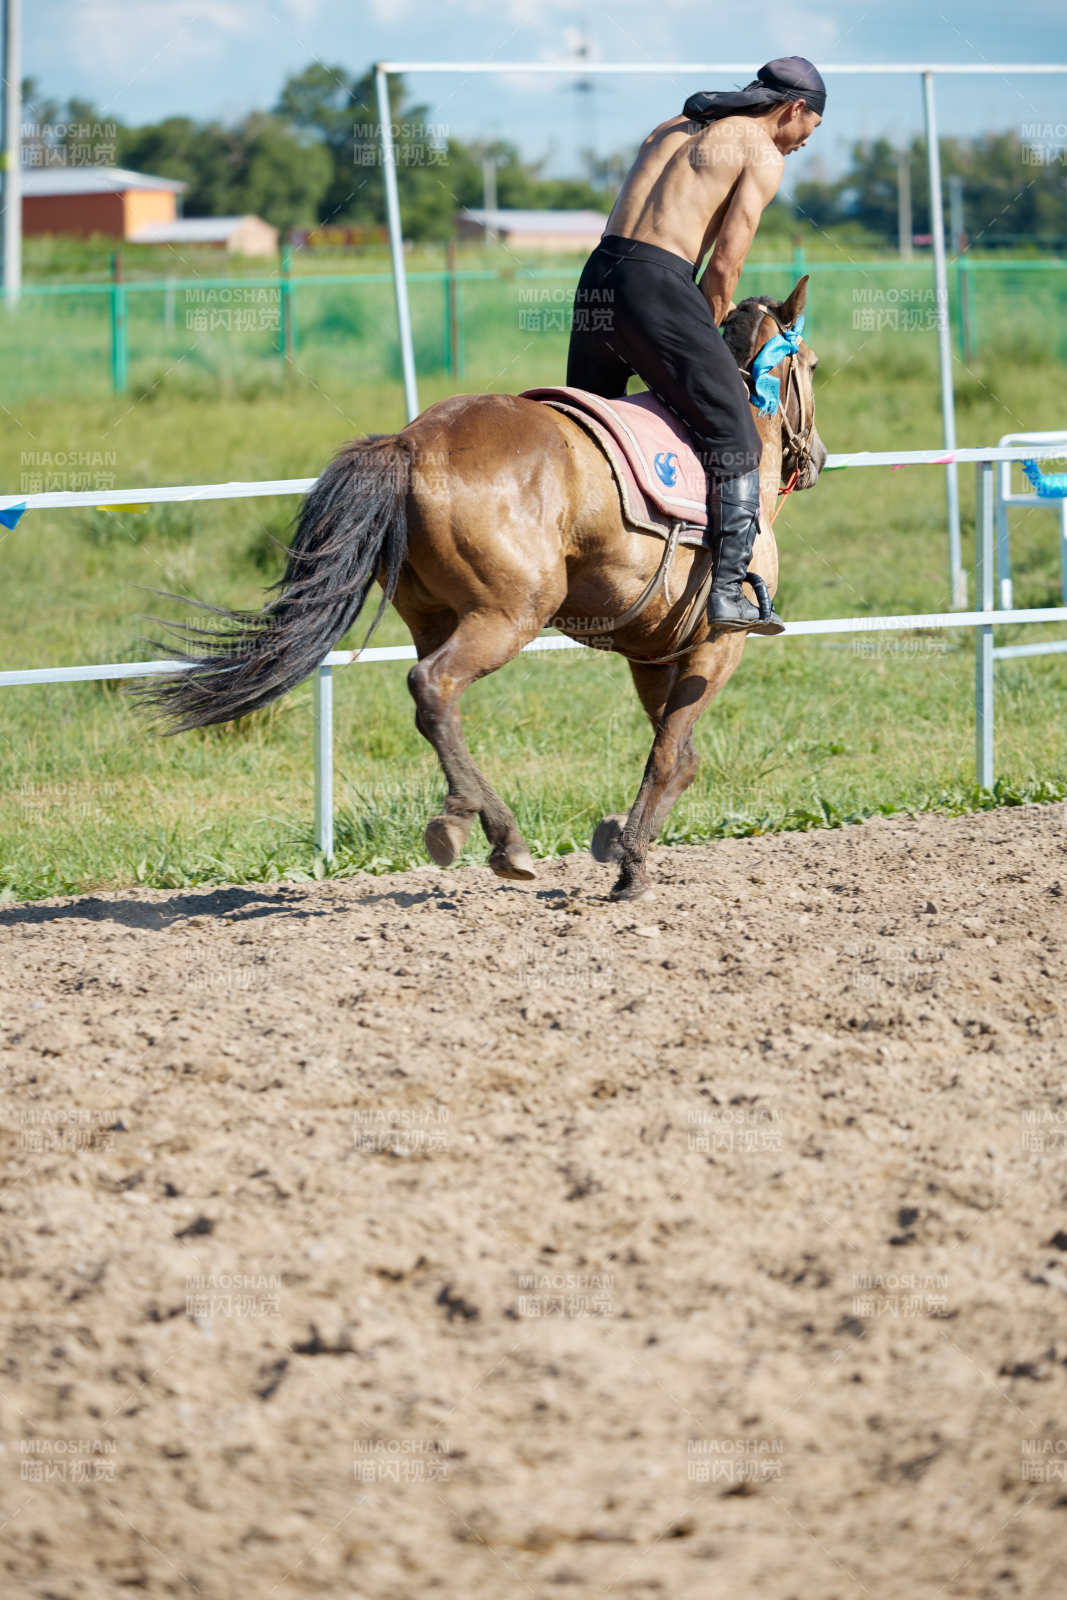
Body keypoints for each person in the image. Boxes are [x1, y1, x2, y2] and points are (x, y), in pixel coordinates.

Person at [566, 57, 825, 634]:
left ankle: (587, 569)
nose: (806, 140)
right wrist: (711, 340)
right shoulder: (760, 150)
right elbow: (725, 265)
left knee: (589, 429)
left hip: (599, 278)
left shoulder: (670, 128)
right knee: (736, 436)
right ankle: (729, 592)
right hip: (658, 284)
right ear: (795, 109)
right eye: (812, 126)